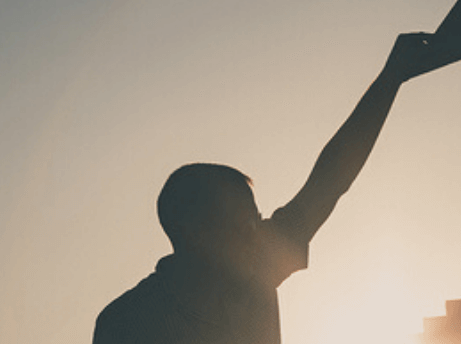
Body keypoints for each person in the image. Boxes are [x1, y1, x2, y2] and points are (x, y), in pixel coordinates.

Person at [93, 33, 432, 344]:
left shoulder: (258, 265)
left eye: (256, 219)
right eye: (242, 223)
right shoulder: (127, 323)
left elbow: (330, 180)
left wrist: (391, 79)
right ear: (194, 231)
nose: (256, 232)